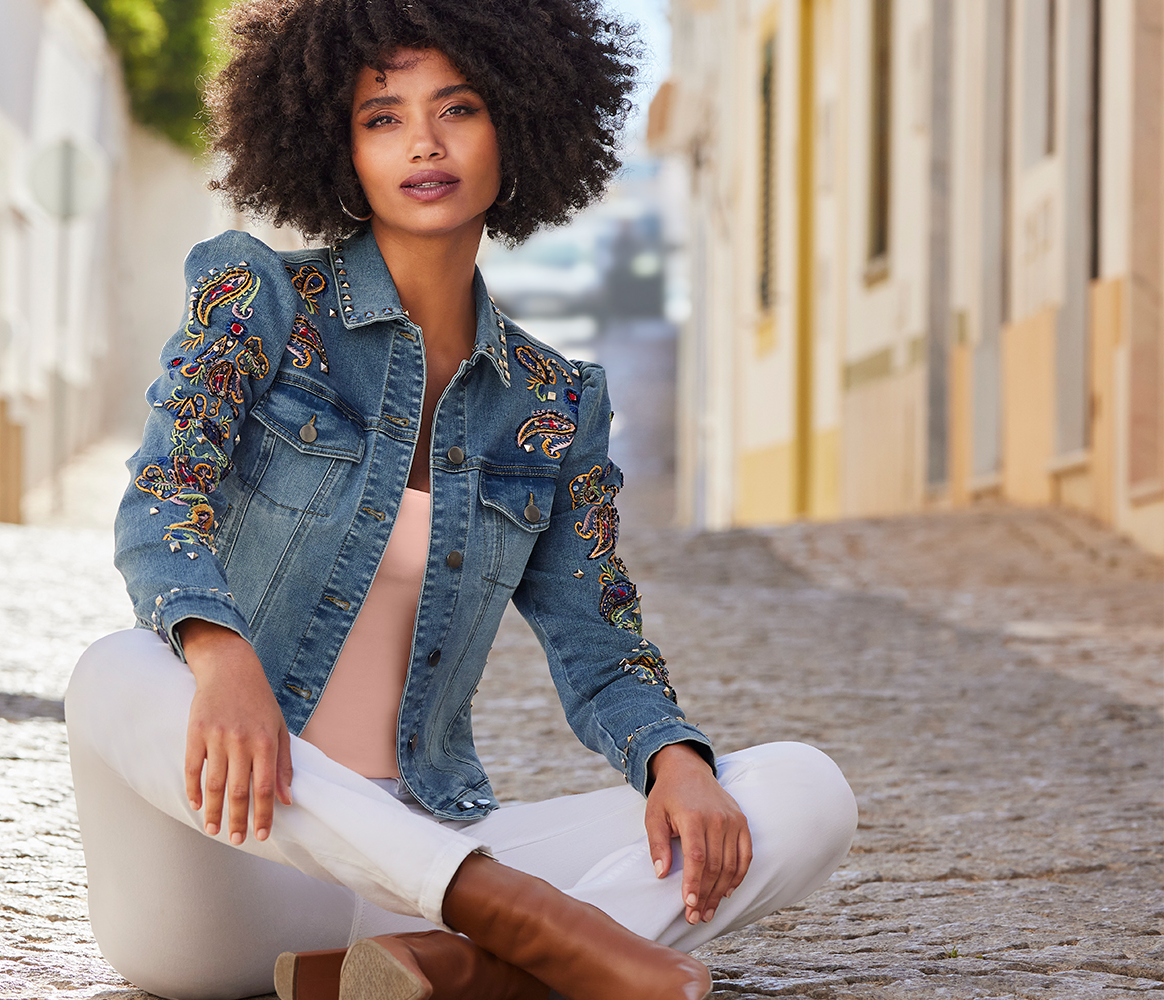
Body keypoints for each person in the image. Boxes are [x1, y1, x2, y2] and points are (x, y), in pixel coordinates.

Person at [64, 0, 857, 997]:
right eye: (382, 116)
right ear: (336, 146)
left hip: (414, 859)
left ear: (515, 126)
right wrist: (219, 661)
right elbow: (163, 495)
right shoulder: (257, 301)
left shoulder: (554, 405)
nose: (424, 143)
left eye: (459, 107)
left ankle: (434, 973)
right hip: (230, 850)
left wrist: (673, 764)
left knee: (799, 791)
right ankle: (514, 930)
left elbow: (600, 649)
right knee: (116, 666)